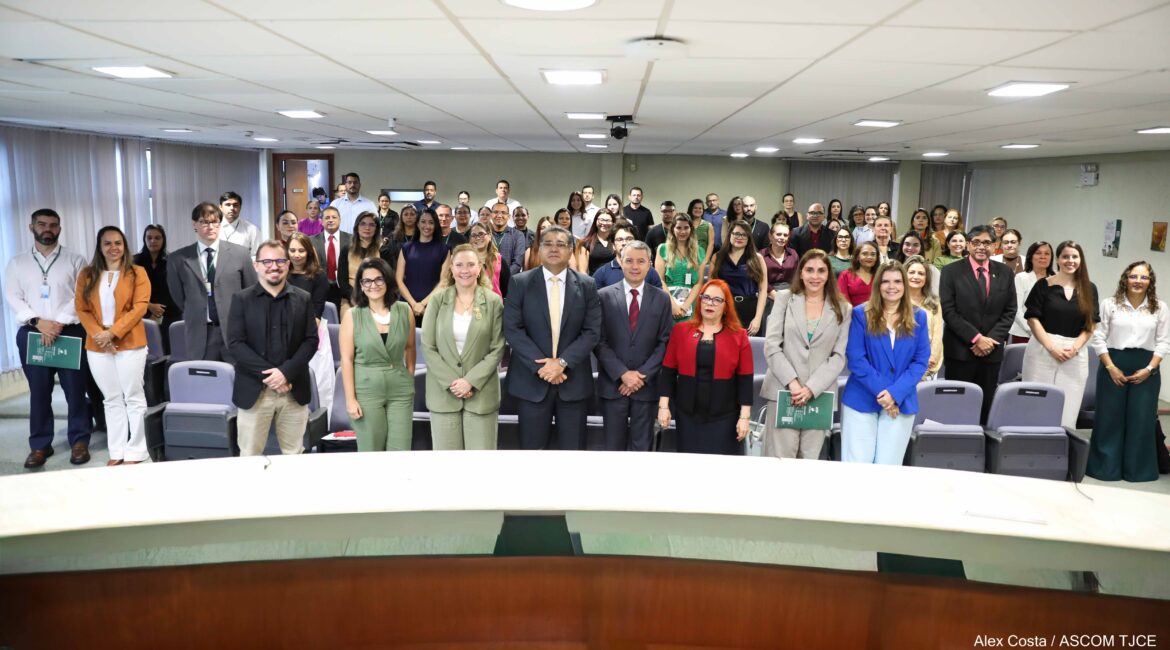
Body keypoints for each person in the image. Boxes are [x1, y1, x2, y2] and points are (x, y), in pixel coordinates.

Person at [5, 209, 92, 468]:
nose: (48, 229)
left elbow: (82, 294)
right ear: (31, 228)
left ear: (60, 229)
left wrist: (58, 323)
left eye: (53, 225)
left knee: (75, 391)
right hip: (33, 333)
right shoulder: (17, 262)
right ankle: (40, 445)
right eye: (42, 224)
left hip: (70, 331)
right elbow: (12, 296)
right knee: (39, 392)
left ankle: (79, 440)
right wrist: (38, 322)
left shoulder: (76, 260)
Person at [502, 226, 602, 450]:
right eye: (548, 243)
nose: (554, 248)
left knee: (573, 452)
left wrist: (562, 363)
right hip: (531, 381)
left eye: (561, 244)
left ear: (571, 251)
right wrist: (544, 367)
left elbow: (592, 331)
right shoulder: (520, 282)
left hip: (573, 382)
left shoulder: (587, 285)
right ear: (538, 248)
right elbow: (512, 329)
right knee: (532, 453)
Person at [227, 240, 319, 456]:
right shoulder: (241, 299)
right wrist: (272, 376)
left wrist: (285, 373)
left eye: (279, 261)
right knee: (250, 455)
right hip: (255, 391)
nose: (273, 266)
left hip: (293, 390)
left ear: (287, 264)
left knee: (294, 454)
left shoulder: (303, 299)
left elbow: (311, 341)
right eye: (267, 261)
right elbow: (235, 344)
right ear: (256, 265)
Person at [761, 250, 850, 459]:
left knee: (809, 464)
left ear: (829, 275)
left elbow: (838, 356)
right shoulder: (784, 299)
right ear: (800, 273)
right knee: (779, 462)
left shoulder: (844, 309)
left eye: (821, 271)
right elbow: (772, 345)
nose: (815, 276)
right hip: (783, 392)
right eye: (809, 270)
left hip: (818, 396)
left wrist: (811, 388)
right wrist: (793, 383)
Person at [840, 261, 932, 464]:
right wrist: (886, 393)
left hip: (901, 402)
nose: (892, 287)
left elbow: (920, 361)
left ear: (905, 285)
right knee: (857, 465)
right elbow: (856, 359)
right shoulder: (860, 314)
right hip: (862, 399)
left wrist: (895, 394)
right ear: (878, 285)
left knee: (888, 468)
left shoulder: (920, 317)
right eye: (886, 281)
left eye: (898, 281)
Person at [76, 226, 152, 466]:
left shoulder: (137, 272)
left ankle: (137, 450)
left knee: (133, 396)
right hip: (97, 344)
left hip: (129, 342)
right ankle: (117, 450)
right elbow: (82, 309)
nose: (113, 247)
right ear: (100, 247)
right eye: (107, 243)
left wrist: (113, 333)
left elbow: (140, 307)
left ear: (125, 245)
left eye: (118, 242)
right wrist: (100, 335)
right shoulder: (87, 274)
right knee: (110, 398)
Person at [1088, 261, 1167, 482]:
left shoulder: (1160, 307)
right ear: (1125, 278)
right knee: (1109, 418)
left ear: (1150, 281)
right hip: (1113, 362)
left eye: (1144, 278)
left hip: (1146, 365)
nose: (1138, 281)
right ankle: (1105, 468)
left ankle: (1138, 470)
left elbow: (1164, 342)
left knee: (1141, 420)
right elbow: (1098, 337)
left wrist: (1150, 369)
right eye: (1134, 276)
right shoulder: (1109, 304)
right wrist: (1111, 367)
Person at [421, 245, 506, 450]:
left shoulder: (494, 302)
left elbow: (497, 348)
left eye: (470, 264)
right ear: (451, 268)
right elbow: (428, 346)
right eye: (459, 265)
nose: (464, 270)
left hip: (481, 395)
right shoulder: (437, 301)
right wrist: (454, 382)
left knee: (480, 467)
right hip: (444, 395)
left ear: (480, 268)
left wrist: (470, 381)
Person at [657, 280, 754, 455]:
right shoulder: (680, 331)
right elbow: (668, 371)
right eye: (706, 297)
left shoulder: (739, 336)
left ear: (726, 306)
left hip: (725, 417)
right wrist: (663, 406)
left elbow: (745, 379)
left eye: (717, 300)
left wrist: (744, 417)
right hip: (687, 415)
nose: (710, 303)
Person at [595, 241, 673, 451]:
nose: (635, 266)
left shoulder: (662, 299)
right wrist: (622, 374)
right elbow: (598, 341)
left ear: (650, 264)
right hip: (613, 386)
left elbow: (665, 342)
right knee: (613, 447)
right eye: (629, 260)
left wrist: (641, 375)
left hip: (646, 387)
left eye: (641, 261)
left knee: (643, 448)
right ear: (620, 262)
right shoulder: (603, 296)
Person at [939, 225, 1017, 423]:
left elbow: (1010, 311)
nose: (981, 247)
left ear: (995, 246)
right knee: (956, 407)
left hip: (991, 353)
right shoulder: (951, 271)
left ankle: (979, 449)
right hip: (960, 352)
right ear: (967, 245)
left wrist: (989, 340)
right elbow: (949, 311)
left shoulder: (1005, 273)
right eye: (976, 242)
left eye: (987, 242)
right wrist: (976, 338)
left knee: (985, 407)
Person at [339, 257, 416, 452]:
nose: (373, 285)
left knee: (401, 450)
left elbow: (410, 347)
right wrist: (350, 399)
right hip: (367, 390)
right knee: (371, 450)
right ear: (361, 285)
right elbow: (347, 360)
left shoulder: (404, 310)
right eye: (367, 281)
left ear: (388, 281)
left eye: (379, 279)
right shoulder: (352, 315)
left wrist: (409, 375)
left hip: (400, 390)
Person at [1022, 240, 1099, 429]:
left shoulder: (1090, 288)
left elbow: (1091, 324)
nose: (1070, 260)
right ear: (1058, 259)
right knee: (1036, 406)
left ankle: (1060, 452)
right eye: (1065, 256)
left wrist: (1075, 348)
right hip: (1043, 349)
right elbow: (1033, 319)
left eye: (1074, 256)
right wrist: (1051, 347)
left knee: (1068, 409)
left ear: (1081, 260)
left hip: (1075, 351)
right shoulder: (1043, 285)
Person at [168, 202, 257, 362]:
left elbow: (251, 293)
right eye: (204, 221)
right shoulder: (178, 259)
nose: (210, 226)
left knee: (237, 381)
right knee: (205, 382)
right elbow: (179, 297)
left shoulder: (240, 254)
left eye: (215, 222)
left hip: (235, 333)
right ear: (194, 224)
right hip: (200, 334)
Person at [710, 221, 769, 336]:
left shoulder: (757, 258)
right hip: (725, 309)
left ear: (748, 238)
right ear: (730, 235)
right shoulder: (718, 257)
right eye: (736, 233)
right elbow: (711, 288)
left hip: (750, 310)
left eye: (744, 235)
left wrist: (757, 318)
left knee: (749, 350)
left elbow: (763, 290)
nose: (739, 237)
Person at [132, 224, 181, 353]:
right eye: (149, 238)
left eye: (157, 238)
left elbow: (177, 290)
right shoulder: (134, 261)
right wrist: (149, 305)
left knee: (168, 353)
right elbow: (128, 290)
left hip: (170, 315)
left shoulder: (173, 261)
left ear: (163, 240)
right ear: (144, 240)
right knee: (145, 354)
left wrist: (158, 311)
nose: (153, 241)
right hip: (142, 314)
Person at [397, 208, 449, 318]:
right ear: (418, 224)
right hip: (407, 305)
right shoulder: (406, 248)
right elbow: (399, 280)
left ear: (435, 226)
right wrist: (414, 304)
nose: (427, 226)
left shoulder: (444, 250)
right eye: (423, 221)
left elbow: (444, 282)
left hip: (432, 306)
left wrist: (422, 304)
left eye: (431, 223)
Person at [655, 216, 705, 323]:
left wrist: (686, 306)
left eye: (686, 227)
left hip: (691, 304)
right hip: (668, 302)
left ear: (691, 229)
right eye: (679, 227)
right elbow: (660, 280)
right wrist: (673, 305)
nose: (682, 231)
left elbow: (699, 283)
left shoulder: (699, 251)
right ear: (672, 229)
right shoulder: (663, 249)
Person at [904, 255, 944, 379]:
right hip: (901, 365)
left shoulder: (934, 303)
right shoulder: (895, 301)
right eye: (911, 272)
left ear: (926, 278)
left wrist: (930, 358)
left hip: (928, 364)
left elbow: (938, 334)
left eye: (921, 273)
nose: (916, 277)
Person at [593, 222, 663, 290]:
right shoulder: (601, 274)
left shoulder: (649, 271)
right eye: (619, 240)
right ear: (613, 245)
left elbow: (658, 298)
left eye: (629, 239)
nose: (624, 243)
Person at [1010, 241, 1053, 343]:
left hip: (1051, 335)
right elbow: (1016, 308)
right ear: (1030, 256)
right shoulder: (1021, 277)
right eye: (1038, 253)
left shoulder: (1057, 278)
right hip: (1024, 333)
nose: (1043, 256)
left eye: (1047, 253)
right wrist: (1033, 329)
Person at [338, 212, 382, 313]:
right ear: (357, 227)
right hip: (351, 299)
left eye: (372, 225)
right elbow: (342, 280)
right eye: (363, 224)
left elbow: (387, 279)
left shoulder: (383, 250)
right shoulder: (347, 249)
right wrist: (355, 298)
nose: (367, 228)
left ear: (376, 229)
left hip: (376, 297)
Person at [310, 205, 350, 314]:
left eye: (334, 217)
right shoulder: (311, 241)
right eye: (327, 218)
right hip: (321, 289)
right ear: (321, 221)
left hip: (345, 290)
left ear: (340, 220)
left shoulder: (352, 240)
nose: (331, 220)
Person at [286, 233, 327, 319]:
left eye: (301, 251)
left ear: (309, 252)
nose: (296, 255)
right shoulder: (282, 273)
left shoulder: (319, 276)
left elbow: (316, 314)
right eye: (292, 251)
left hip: (308, 324)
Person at [468, 221, 511, 298]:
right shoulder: (464, 261)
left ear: (490, 236)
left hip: (495, 307)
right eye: (473, 235)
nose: (477, 238)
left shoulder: (499, 261)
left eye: (481, 234)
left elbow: (507, 291)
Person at [487, 201, 528, 276]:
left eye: (503, 212)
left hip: (509, 282)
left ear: (508, 216)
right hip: (486, 281)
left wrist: (503, 278)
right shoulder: (484, 234)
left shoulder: (518, 235)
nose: (499, 215)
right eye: (496, 212)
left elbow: (517, 263)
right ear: (490, 215)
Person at [218, 191, 261, 255]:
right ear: (220, 207)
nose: (232, 208)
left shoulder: (252, 230)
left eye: (235, 205)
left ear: (240, 207)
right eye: (228, 205)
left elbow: (257, 256)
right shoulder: (212, 228)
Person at [762, 221, 797, 299]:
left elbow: (797, 276)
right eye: (778, 234)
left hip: (791, 294)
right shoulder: (761, 255)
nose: (782, 237)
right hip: (767, 294)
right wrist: (775, 295)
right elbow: (759, 279)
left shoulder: (793, 254)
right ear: (770, 236)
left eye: (785, 235)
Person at [837, 241, 879, 306]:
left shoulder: (880, 275)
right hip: (852, 314)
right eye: (865, 254)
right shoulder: (845, 275)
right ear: (857, 256)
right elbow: (843, 301)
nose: (869, 257)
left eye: (873, 254)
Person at [576, 210, 618, 275]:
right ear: (595, 221)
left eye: (608, 220)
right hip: (595, 282)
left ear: (613, 223)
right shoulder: (586, 243)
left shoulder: (616, 241)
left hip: (615, 282)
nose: (604, 223)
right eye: (601, 220)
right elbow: (582, 271)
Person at [686, 198, 716, 266]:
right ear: (691, 209)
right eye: (695, 208)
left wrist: (705, 260)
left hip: (702, 261)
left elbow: (711, 244)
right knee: (687, 277)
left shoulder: (708, 225)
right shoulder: (685, 224)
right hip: (686, 260)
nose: (698, 210)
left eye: (700, 208)